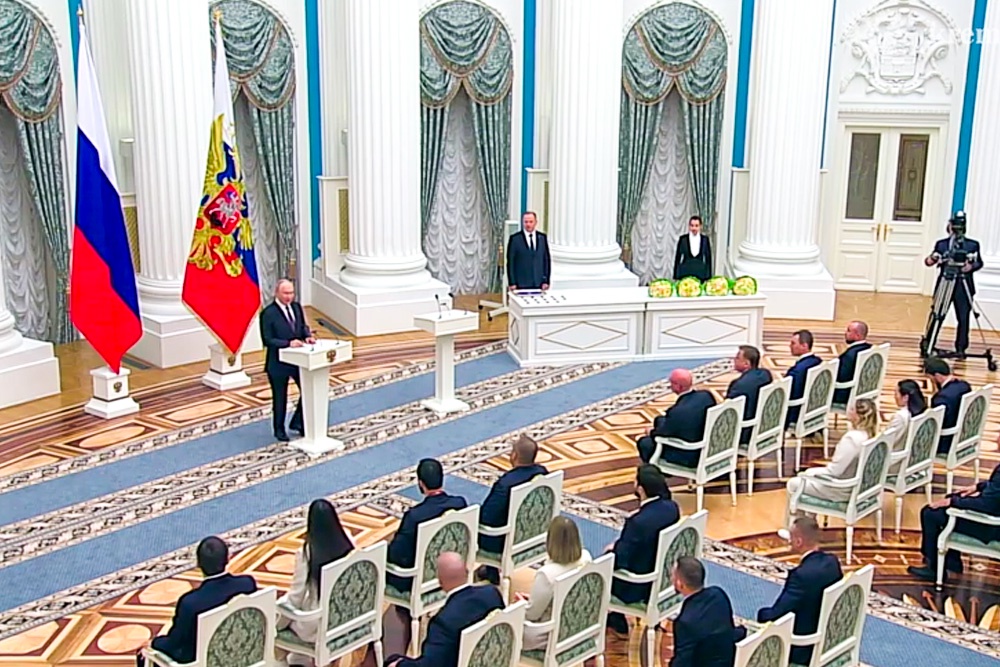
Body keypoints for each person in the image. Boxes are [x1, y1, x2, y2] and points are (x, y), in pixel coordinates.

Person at [141, 537, 256, 666]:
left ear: (198, 564)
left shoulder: (190, 604)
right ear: (228, 558)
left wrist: (154, 643)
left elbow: (175, 642)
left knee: (144, 656)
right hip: (245, 655)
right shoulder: (247, 584)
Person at [385, 552, 504, 667]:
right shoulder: (492, 594)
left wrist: (399, 664)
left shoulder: (443, 623)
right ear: (467, 572)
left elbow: (430, 665)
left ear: (440, 581)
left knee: (392, 660)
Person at [907, 441, 1000, 583]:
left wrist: (953, 502)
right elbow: (995, 487)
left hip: (990, 526)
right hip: (994, 519)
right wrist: (977, 487)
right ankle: (952, 560)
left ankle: (933, 567)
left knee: (930, 513)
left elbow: (987, 505)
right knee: (952, 498)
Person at [757, 517, 843, 666]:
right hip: (831, 635)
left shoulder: (800, 577)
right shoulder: (832, 562)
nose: (789, 541)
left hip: (804, 648)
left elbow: (777, 615)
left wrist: (762, 614)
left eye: (791, 538)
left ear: (798, 542)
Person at [606, 465, 680, 634]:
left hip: (639, 587)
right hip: (664, 576)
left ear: (640, 489)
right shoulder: (672, 508)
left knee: (603, 565)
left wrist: (612, 550)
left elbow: (620, 559)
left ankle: (617, 621)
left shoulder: (637, 523)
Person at [278, 499, 355, 662]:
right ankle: (299, 657)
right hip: (349, 613)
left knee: (280, 617)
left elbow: (296, 597)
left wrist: (277, 622)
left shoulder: (306, 553)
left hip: (319, 624)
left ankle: (295, 658)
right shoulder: (348, 539)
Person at [386, 459, 467, 593]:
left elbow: (396, 555)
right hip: (450, 572)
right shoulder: (459, 504)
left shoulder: (415, 516)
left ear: (420, 483)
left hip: (415, 581)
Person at [477, 434, 549, 583]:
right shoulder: (543, 473)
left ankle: (491, 573)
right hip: (534, 536)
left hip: (505, 542)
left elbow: (487, 517)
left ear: (514, 455)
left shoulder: (506, 484)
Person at [786, 398, 878, 503]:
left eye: (852, 409)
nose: (848, 409)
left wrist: (809, 472)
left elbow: (834, 471)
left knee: (793, 483)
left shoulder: (851, 439)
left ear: (858, 416)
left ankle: (801, 514)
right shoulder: (871, 436)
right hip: (858, 487)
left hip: (840, 489)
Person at [519, 516, 592, 650]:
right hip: (580, 627)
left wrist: (520, 606)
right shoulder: (586, 558)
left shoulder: (547, 574)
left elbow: (532, 614)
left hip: (553, 634)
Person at [260, 279, 316, 441]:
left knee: (308, 390)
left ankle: (298, 422)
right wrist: (287, 343)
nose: (289, 296)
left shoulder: (297, 307)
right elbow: (268, 340)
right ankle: (279, 429)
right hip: (278, 363)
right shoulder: (268, 313)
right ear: (277, 293)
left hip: (298, 360)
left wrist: (307, 336)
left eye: (291, 293)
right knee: (280, 398)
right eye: (285, 293)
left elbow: (302, 327)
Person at [924, 211, 983, 356]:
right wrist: (933, 258)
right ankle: (928, 343)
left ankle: (961, 347)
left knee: (963, 317)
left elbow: (979, 262)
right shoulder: (942, 244)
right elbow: (929, 261)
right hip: (945, 282)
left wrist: (970, 266)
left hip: (963, 285)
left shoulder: (972, 245)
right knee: (937, 314)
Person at [670, 557, 746, 667]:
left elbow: (682, 662)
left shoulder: (685, 622)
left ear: (680, 584)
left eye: (673, 576)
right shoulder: (718, 594)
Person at [636, 369, 716, 465]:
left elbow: (663, 433)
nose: (670, 385)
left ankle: (653, 471)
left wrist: (651, 432)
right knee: (659, 420)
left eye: (672, 383)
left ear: (679, 386)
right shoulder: (706, 396)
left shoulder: (678, 412)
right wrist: (659, 421)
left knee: (645, 443)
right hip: (710, 446)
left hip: (690, 455)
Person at [725, 345, 773, 444]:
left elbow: (727, 411)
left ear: (746, 364)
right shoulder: (765, 375)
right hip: (763, 426)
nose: (734, 360)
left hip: (744, 433)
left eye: (737, 358)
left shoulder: (738, 386)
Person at [925, 357, 972, 455]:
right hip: (964, 436)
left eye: (931, 379)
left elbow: (937, 425)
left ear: (937, 376)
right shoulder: (965, 386)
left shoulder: (941, 398)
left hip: (946, 444)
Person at [882, 380, 927, 472]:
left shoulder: (900, 417)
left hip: (895, 463)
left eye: (896, 393)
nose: (894, 396)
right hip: (915, 460)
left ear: (905, 397)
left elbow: (887, 441)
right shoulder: (924, 413)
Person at [785, 330, 822, 428]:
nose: (790, 346)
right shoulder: (818, 361)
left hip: (796, 413)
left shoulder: (797, 371)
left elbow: (790, 393)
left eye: (793, 343)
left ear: (804, 346)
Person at [506, 211, 551, 291]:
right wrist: (512, 282)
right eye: (526, 222)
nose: (528, 224)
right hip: (521, 283)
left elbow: (546, 260)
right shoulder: (515, 239)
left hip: (539, 283)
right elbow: (511, 262)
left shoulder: (542, 238)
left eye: (531, 222)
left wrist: (546, 281)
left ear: (535, 222)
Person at [832, 321, 872, 405]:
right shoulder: (870, 349)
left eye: (849, 331)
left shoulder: (849, 356)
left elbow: (841, 377)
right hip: (865, 390)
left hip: (846, 395)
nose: (845, 333)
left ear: (857, 335)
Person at [673, 215, 713, 282]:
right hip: (685, 273)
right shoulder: (683, 239)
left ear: (700, 226)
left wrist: (708, 276)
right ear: (689, 226)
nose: (694, 228)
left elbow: (708, 259)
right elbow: (678, 258)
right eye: (692, 225)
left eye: (696, 226)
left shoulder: (705, 240)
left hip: (701, 273)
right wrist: (676, 275)